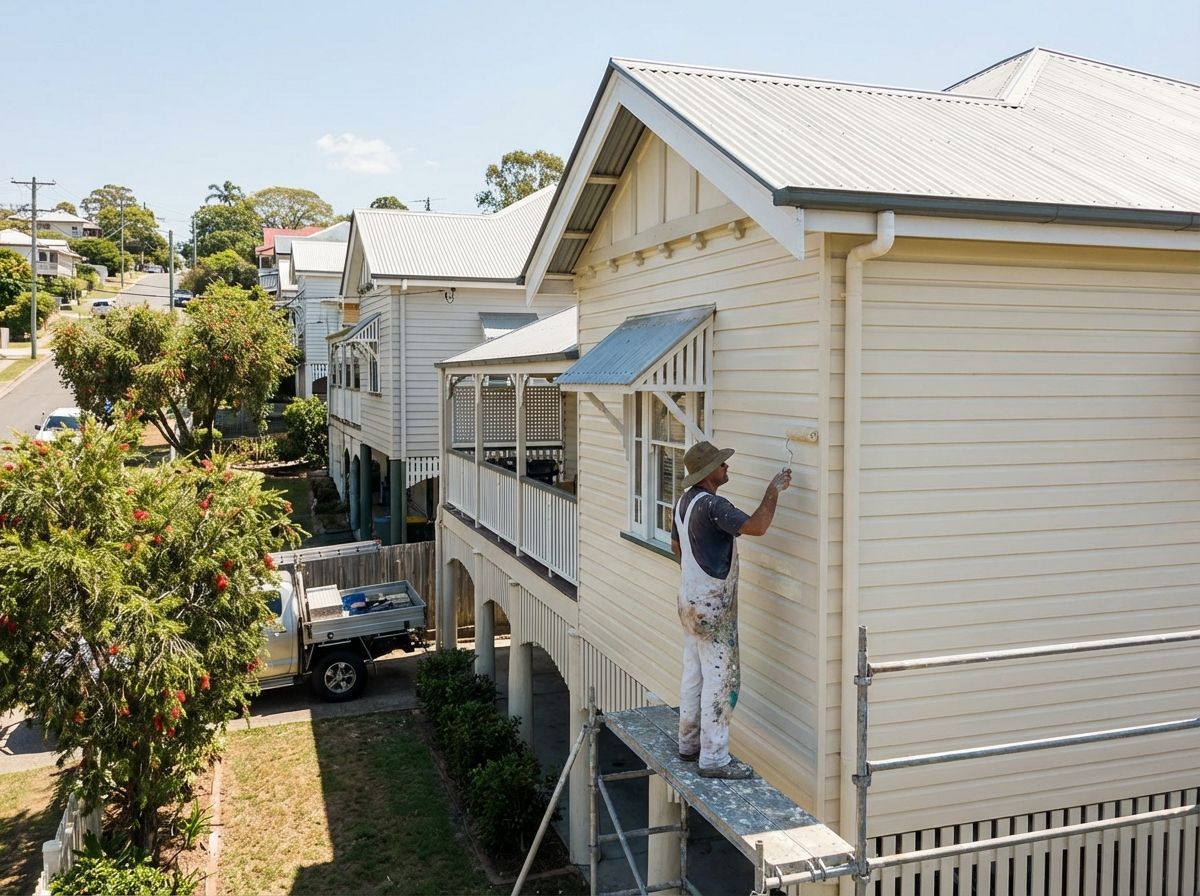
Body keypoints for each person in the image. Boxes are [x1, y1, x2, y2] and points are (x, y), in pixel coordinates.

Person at [671, 440, 791, 779]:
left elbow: (676, 547)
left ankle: (688, 743)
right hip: (713, 609)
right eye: (722, 465)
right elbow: (757, 526)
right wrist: (773, 490)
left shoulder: (683, 502)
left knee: (693, 672)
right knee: (721, 680)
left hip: (688, 600)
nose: (727, 468)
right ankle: (714, 759)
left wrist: (697, 576)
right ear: (709, 473)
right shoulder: (712, 505)